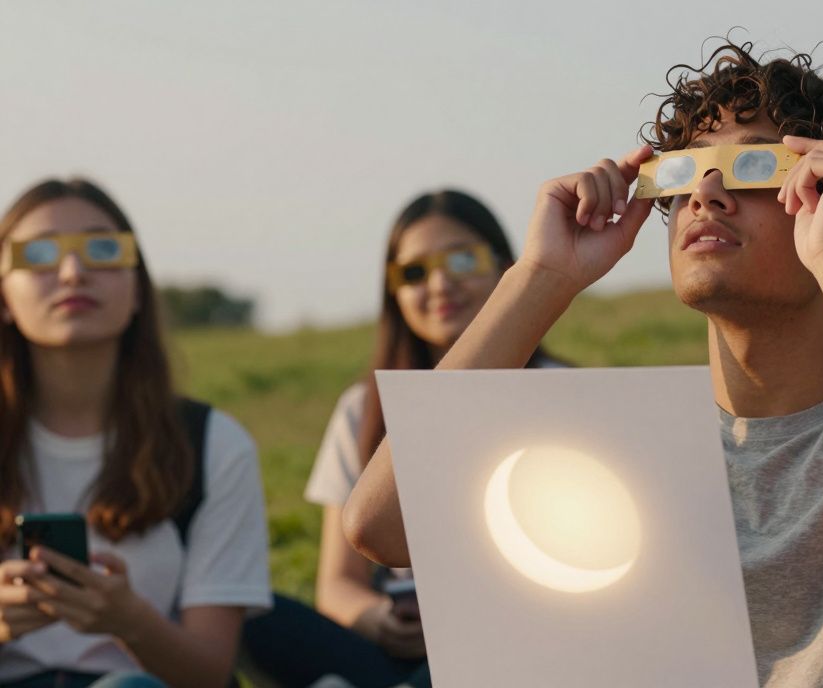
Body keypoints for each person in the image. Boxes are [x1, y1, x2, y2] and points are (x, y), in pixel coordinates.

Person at [342, 43, 823, 688]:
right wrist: (542, 276)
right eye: (683, 175)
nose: (705, 194)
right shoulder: (617, 438)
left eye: (755, 167)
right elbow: (380, 527)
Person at [241, 190, 561, 688]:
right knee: (255, 615)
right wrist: (379, 620)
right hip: (393, 649)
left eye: (461, 258)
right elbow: (338, 583)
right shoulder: (364, 408)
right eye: (413, 272)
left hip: (514, 641)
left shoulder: (562, 391)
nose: (439, 283)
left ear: (507, 266)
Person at [0, 179, 271, 688]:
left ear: (139, 289)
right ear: (3, 298)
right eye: (38, 254)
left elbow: (211, 673)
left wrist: (131, 623)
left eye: (103, 249)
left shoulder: (210, 444)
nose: (72, 272)